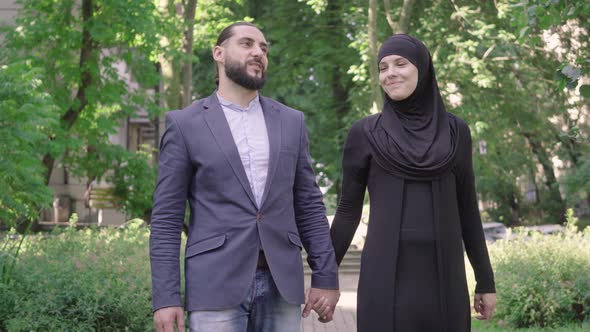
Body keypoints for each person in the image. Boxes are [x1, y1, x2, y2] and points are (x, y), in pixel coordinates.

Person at [149, 21, 340, 332]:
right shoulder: (185, 125)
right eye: (247, 44)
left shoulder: (291, 122)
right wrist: (166, 298)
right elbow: (167, 219)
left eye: (263, 48)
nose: (258, 52)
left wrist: (326, 277)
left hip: (283, 286)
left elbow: (309, 206)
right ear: (219, 53)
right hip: (214, 285)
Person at [330, 34, 497, 332]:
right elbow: (346, 212)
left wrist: (485, 281)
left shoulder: (456, 132)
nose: (390, 73)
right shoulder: (365, 133)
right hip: (383, 277)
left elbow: (468, 210)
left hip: (445, 277)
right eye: (382, 67)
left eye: (400, 63)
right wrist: (324, 277)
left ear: (422, 68)